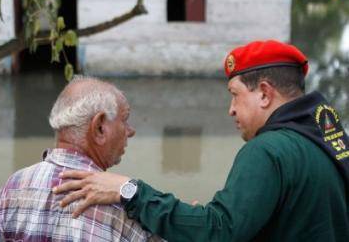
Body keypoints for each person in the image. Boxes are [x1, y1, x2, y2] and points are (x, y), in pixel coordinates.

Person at [53, 40, 349, 241]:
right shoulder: (328, 142)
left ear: (264, 93)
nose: (230, 108)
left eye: (235, 94)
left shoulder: (268, 150)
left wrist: (130, 191)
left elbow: (219, 232)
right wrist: (195, 219)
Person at [0, 76, 163, 241]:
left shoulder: (13, 187)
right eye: (124, 120)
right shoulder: (125, 206)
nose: (130, 131)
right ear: (100, 128)